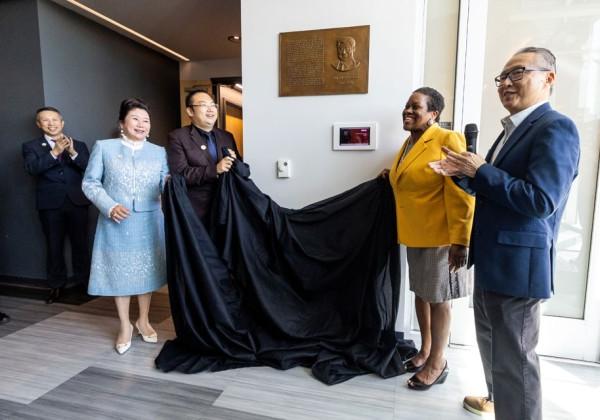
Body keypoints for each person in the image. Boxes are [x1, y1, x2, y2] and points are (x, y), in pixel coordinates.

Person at [430, 47, 580, 419]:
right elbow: (499, 191)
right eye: (502, 77)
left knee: (516, 360)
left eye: (518, 73)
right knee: (493, 347)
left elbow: (541, 200)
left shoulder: (556, 127)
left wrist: (480, 171)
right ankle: (498, 401)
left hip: (519, 266)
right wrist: (464, 175)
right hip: (493, 260)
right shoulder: (511, 131)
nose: (506, 83)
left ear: (549, 77)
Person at [381, 87, 474, 391]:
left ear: (433, 114)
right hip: (414, 234)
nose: (407, 111)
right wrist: (391, 175)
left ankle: (438, 362)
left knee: (439, 299)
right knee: (421, 294)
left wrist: (461, 240)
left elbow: (461, 193)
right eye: (406, 106)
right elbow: (413, 178)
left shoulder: (448, 139)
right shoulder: (409, 143)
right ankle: (424, 351)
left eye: (415, 107)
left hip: (441, 236)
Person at [83, 98, 169, 355]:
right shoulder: (104, 148)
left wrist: (173, 191)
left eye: (146, 120)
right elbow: (90, 183)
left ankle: (143, 320)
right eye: (135, 119)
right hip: (116, 220)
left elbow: (165, 183)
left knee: (146, 272)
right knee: (120, 274)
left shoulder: (159, 152)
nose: (141, 124)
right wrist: (109, 205)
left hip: (150, 220)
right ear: (122, 123)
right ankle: (125, 325)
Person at [22, 107, 90, 304]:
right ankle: (56, 286)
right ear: (38, 124)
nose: (51, 123)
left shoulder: (79, 144)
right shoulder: (30, 146)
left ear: (62, 122)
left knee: (81, 245)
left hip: (77, 201)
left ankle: (85, 283)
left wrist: (73, 152)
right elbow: (32, 169)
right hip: (50, 204)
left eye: (54, 120)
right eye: (45, 120)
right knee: (54, 246)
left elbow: (89, 167)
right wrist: (54, 153)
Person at [166, 89, 239, 224]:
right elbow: (180, 174)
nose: (210, 109)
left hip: (227, 207)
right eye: (204, 105)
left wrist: (235, 163)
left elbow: (240, 172)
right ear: (190, 111)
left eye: (213, 105)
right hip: (197, 210)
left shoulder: (227, 136)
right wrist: (215, 169)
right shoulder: (178, 137)